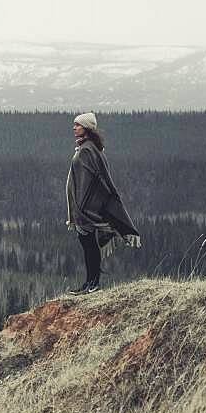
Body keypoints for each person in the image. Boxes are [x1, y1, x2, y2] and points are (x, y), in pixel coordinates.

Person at [65, 112, 141, 294]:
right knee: (88, 245)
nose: (74, 128)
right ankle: (90, 282)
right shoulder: (87, 148)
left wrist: (83, 207)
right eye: (74, 125)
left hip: (86, 210)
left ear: (87, 128)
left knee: (89, 245)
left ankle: (93, 283)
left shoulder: (87, 150)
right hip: (83, 208)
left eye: (77, 125)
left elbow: (94, 181)